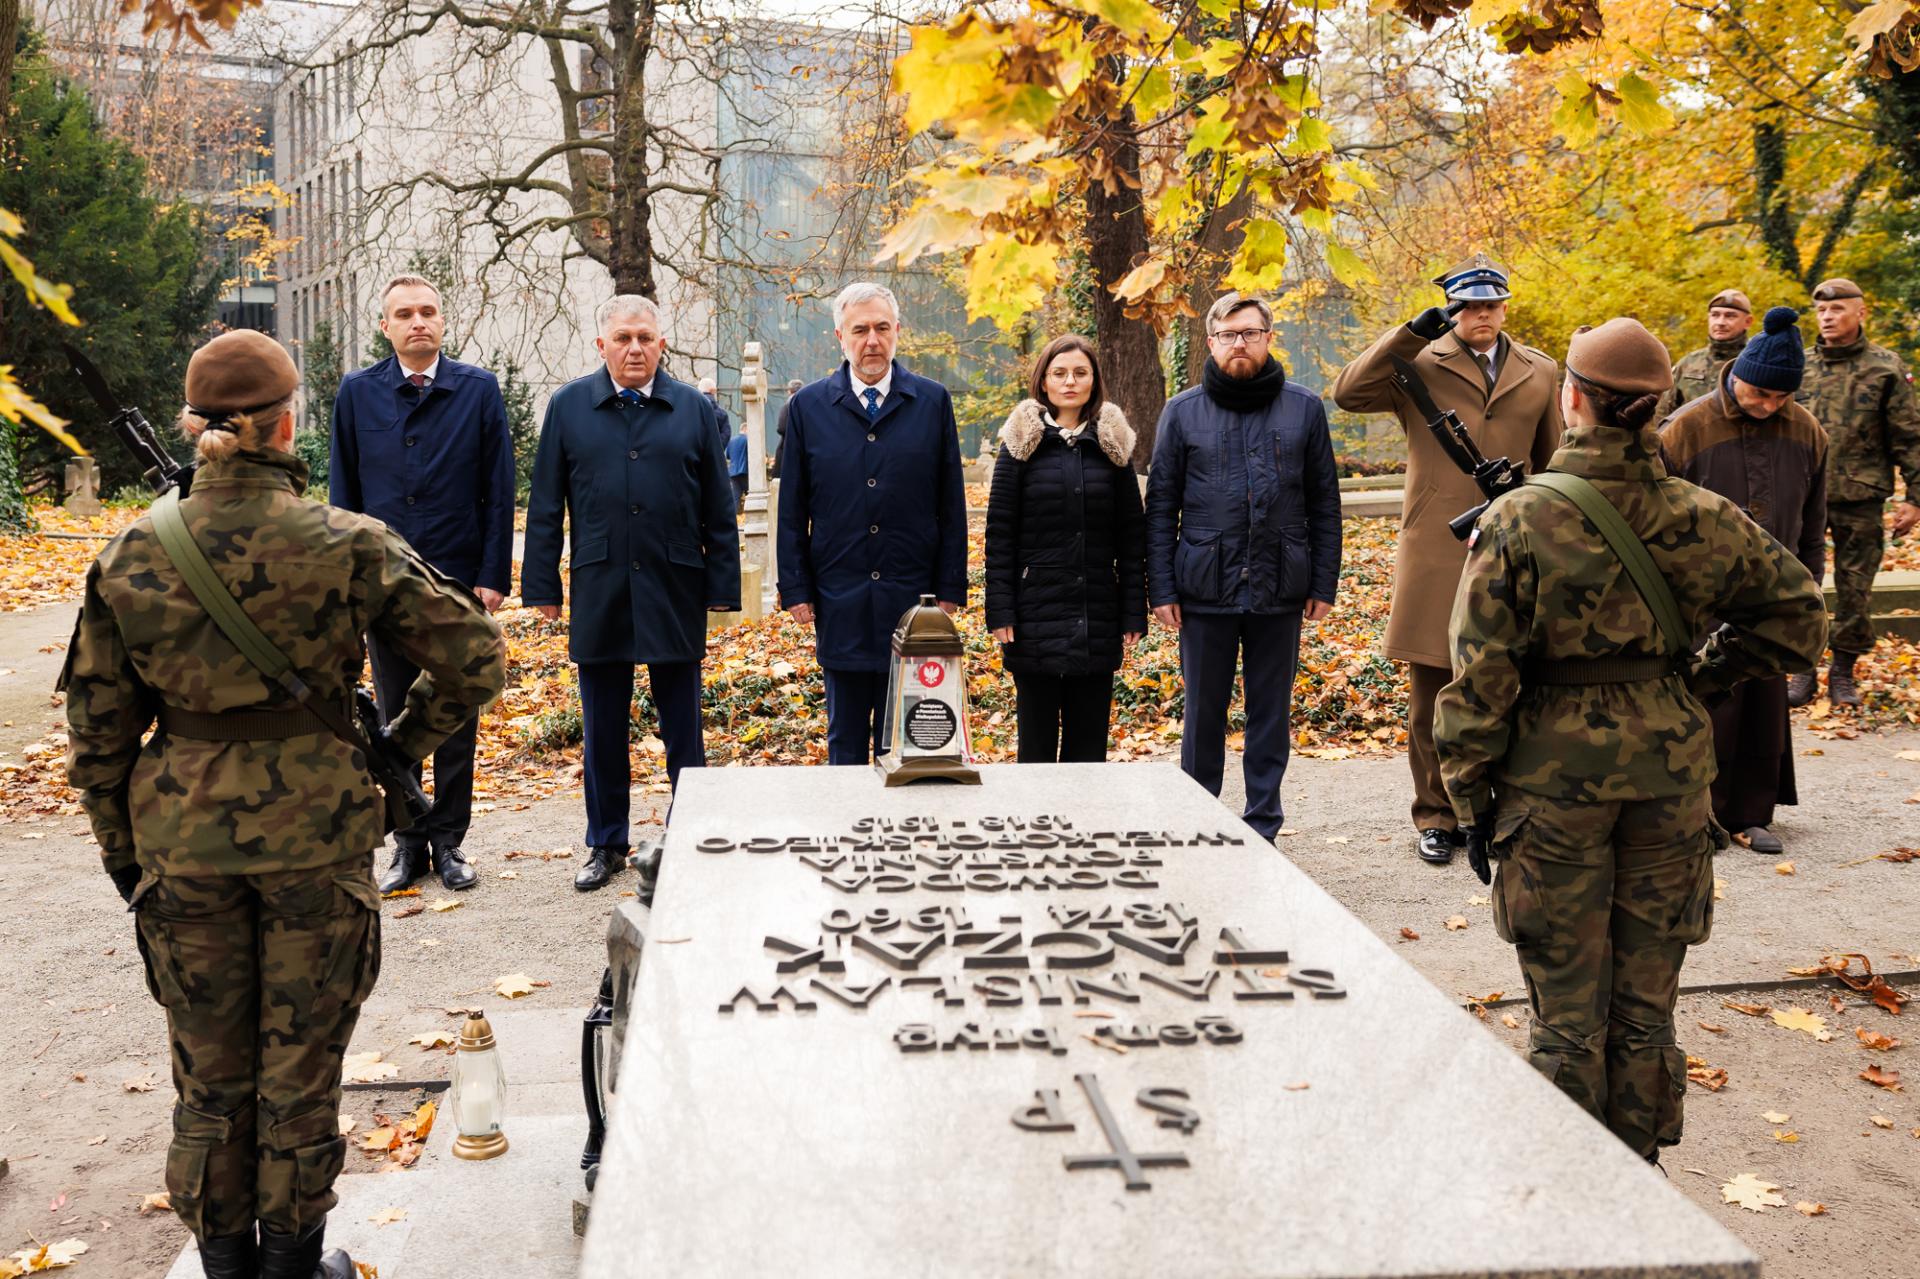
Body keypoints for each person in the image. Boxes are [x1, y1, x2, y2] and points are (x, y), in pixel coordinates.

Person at [64, 330, 506, 1279]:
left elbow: (97, 736)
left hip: (180, 850)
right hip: (317, 842)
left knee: (208, 1074)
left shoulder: (133, 553)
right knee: (300, 1071)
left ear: (195, 430)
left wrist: (124, 855)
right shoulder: (346, 541)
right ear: (286, 423)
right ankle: (294, 1265)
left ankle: (223, 1265)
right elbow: (475, 658)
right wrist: (397, 746)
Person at [1435, 318, 1827, 1165]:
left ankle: (1576, 1198)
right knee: (1646, 1013)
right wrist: (1699, 678)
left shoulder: (1518, 521)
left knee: (1566, 1019)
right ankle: (1642, 1188)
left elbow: (1478, 684)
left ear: (1571, 399)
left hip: (1550, 792)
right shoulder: (1703, 514)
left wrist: (1468, 801)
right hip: (1671, 786)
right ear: (1657, 411)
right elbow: (1801, 617)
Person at [1332, 252, 1563, 866]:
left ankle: (1497, 808)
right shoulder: (1418, 363)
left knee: (1512, 680)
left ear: (1505, 305)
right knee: (1432, 687)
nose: (1480, 314)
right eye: (1467, 304)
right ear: (1451, 307)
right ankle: (1436, 816)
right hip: (1437, 544)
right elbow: (1349, 393)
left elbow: (1555, 460)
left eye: (1490, 303)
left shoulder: (1539, 369)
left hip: (1514, 543)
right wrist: (1412, 331)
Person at [522, 296, 741, 891]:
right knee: (602, 726)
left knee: (683, 725)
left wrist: (723, 586)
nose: (635, 348)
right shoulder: (569, 407)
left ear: (661, 342)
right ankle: (606, 843)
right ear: (602, 345)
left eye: (645, 337)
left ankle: (690, 836)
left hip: (675, 584)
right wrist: (541, 583)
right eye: (622, 338)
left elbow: (719, 508)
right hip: (600, 582)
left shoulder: (693, 408)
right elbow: (545, 504)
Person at [330, 273, 514, 894]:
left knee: (457, 716)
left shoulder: (478, 390)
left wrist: (491, 578)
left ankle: (450, 842)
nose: (418, 322)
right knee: (391, 714)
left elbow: (498, 491)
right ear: (385, 326)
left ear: (443, 321)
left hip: (458, 583)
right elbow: (344, 498)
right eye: (404, 314)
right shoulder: (357, 393)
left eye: (428, 311)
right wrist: (349, 585)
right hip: (383, 586)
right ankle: (407, 844)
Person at [1144, 294, 1341, 840]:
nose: (1239, 343)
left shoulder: (1304, 408)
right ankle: (1197, 822)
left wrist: (1323, 580)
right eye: (1229, 334)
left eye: (1250, 333)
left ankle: (1262, 826)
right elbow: (1161, 505)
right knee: (1203, 715)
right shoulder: (1183, 412)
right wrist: (1161, 587)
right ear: (1210, 342)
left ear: (1268, 338)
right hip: (1204, 586)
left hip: (1281, 584)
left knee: (1269, 715)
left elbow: (1324, 502)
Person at [776, 281, 967, 764]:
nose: (872, 341)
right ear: (839, 336)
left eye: (882, 328)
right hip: (839, 595)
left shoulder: (931, 402)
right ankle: (846, 835)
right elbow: (793, 509)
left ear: (898, 331)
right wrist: (796, 589)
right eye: (859, 330)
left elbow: (951, 503)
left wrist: (950, 585)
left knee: (907, 736)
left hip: (913, 596)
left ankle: (901, 836)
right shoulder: (808, 408)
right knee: (843, 737)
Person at [1661, 307, 1827, 855]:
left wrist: (1808, 591)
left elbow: (1813, 521)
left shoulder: (1806, 430)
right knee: (1704, 703)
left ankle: (1752, 814)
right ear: (1737, 376)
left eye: (1781, 397)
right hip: (1698, 595)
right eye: (1760, 393)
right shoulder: (1686, 427)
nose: (1769, 405)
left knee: (1762, 705)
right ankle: (1696, 812)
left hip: (1773, 595)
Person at [985, 336, 1146, 762]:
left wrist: (1133, 611)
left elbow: (1132, 538)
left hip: (1096, 615)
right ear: (1044, 380)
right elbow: (999, 534)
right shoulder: (1020, 445)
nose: (1070, 381)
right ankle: (1034, 827)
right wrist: (1000, 611)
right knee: (1035, 748)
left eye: (1080, 372)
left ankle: (1085, 828)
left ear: (1094, 380)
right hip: (1034, 614)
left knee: (1088, 747)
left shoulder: (1113, 447)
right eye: (1059, 373)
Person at [1794, 277, 1920, 706]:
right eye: (1821, 311)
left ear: (1861, 313)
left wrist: (1914, 498)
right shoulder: (1798, 365)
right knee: (1797, 584)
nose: (1827, 318)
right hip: (1802, 495)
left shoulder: (1885, 367)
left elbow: (1909, 437)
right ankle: (1803, 669)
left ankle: (1843, 671)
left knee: (1855, 588)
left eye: (1838, 310)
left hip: (1861, 496)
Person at [1654, 289, 1753, 420]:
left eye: (1730, 316)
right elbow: (1663, 411)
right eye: (1715, 315)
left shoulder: (1756, 364)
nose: (1720, 322)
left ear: (1748, 322)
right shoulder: (1688, 363)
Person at [771, 377, 803, 478]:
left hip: (787, 448)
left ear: (789, 391)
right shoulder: (808, 405)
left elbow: (781, 427)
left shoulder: (787, 406)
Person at [699, 375, 734, 450]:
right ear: (713, 390)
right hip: (713, 454)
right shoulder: (722, 413)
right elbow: (726, 434)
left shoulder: (691, 408)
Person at [727, 416, 751, 512]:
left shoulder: (731, 441)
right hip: (744, 471)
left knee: (735, 497)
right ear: (745, 429)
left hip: (732, 472)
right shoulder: (747, 440)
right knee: (750, 495)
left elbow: (728, 456)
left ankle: (734, 519)